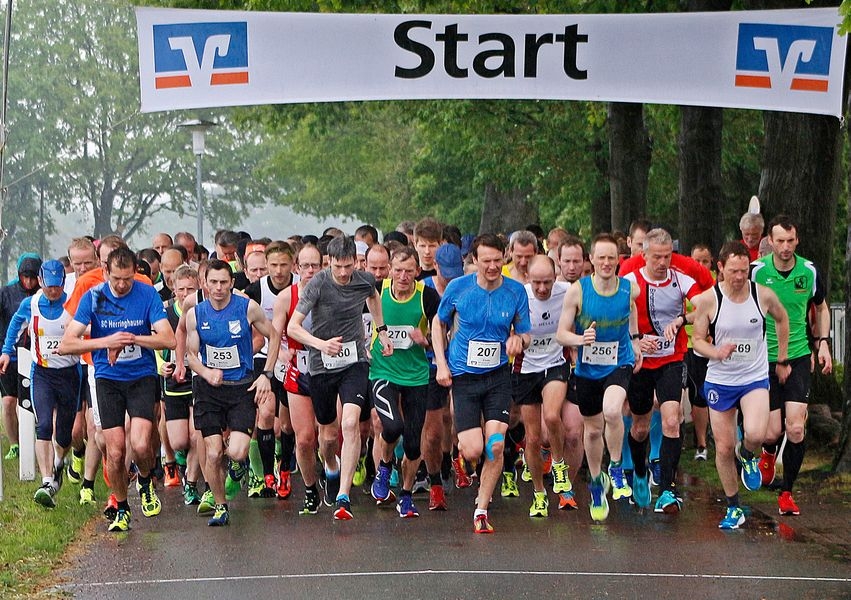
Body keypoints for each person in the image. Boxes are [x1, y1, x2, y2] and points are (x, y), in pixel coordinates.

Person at [59, 247, 175, 533]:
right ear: (106, 273)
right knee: (115, 450)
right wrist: (107, 341)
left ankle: (146, 480)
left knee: (140, 444)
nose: (122, 285)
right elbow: (67, 344)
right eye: (116, 279)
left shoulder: (146, 294)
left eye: (127, 278)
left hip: (141, 377)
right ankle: (122, 507)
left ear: (134, 272)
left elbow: (169, 340)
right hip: (108, 379)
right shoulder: (95, 296)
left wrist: (133, 338)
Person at [286, 235, 394, 520]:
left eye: (348, 266)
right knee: (328, 435)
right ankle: (331, 467)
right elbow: (293, 328)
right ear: (329, 262)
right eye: (338, 267)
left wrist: (381, 330)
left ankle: (344, 495)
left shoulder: (363, 280)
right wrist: (321, 344)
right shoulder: (319, 283)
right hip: (322, 365)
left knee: (350, 423)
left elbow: (373, 296)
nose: (344, 273)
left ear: (354, 263)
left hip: (354, 362)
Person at [432, 233, 532, 534]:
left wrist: (518, 340)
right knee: (474, 450)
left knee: (496, 445)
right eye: (485, 261)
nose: (491, 266)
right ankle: (463, 456)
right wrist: (441, 362)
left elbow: (526, 332)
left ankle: (481, 509)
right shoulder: (458, 288)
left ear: (505, 258)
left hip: (498, 376)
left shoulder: (515, 291)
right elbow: (440, 323)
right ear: (473, 261)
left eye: (497, 261)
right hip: (464, 377)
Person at [691, 241, 789, 529]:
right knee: (723, 447)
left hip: (753, 376)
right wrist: (716, 352)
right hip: (720, 380)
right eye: (733, 271)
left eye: (744, 270)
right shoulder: (709, 299)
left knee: (757, 433)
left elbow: (782, 320)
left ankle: (747, 455)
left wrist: (781, 357)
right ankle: (734, 506)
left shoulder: (762, 295)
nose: (739, 276)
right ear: (720, 268)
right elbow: (696, 339)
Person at [184, 260, 277, 526]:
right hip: (209, 391)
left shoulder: (247, 308)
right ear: (205, 283)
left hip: (240, 389)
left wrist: (266, 375)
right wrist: (205, 372)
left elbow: (274, 336)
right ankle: (221, 505)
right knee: (213, 453)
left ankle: (239, 465)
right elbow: (191, 355)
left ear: (232, 283)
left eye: (224, 282)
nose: (218, 288)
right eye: (213, 282)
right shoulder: (195, 314)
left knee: (236, 452)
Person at [556, 233, 642, 522]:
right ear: (591, 260)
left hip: (619, 362)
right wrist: (580, 339)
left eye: (611, 258)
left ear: (619, 260)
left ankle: (616, 468)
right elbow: (561, 334)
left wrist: (636, 340)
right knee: (592, 431)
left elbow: (631, 312)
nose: (606, 263)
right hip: (587, 368)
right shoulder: (578, 291)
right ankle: (596, 482)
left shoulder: (630, 289)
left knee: (613, 409)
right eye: (601, 257)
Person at [621, 228, 707, 513]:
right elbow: (616, 316)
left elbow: (708, 307)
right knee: (641, 426)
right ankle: (640, 471)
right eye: (656, 257)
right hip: (641, 361)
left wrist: (683, 319)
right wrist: (634, 339)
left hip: (672, 358)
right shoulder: (630, 281)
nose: (662, 262)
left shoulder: (681, 280)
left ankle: (668, 489)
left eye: (667, 256)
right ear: (643, 255)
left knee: (672, 419)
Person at [751, 215, 832, 516]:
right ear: (769, 242)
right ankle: (769, 452)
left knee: (795, 427)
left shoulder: (808, 271)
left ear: (797, 241)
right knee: (771, 432)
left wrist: (822, 342)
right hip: (764, 359)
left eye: (790, 241)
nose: (785, 247)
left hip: (797, 355)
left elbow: (821, 307)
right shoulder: (756, 272)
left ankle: (787, 492)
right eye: (779, 241)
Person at [0, 260, 79, 508]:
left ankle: (58, 463)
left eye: (57, 287)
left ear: (63, 284)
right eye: (48, 286)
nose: (52, 291)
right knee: (43, 425)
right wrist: (5, 351)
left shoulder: (72, 304)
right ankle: (46, 481)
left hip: (69, 374)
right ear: (41, 282)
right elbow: (14, 324)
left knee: (64, 434)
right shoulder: (31, 304)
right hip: (42, 374)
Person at [368, 246, 440, 518]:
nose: (403, 276)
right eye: (397, 270)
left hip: (416, 375)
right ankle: (385, 467)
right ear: (390, 271)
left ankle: (406, 496)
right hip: (383, 371)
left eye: (409, 271)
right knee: (392, 425)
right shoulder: (377, 290)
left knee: (412, 444)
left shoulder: (427, 296)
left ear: (417, 272)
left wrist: (427, 340)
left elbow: (441, 337)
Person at [512, 255, 573, 517]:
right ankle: (539, 493)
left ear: (555, 276)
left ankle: (559, 464)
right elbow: (507, 327)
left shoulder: (568, 291)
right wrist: (513, 340)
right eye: (537, 283)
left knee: (552, 415)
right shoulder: (519, 296)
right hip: (526, 368)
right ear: (528, 279)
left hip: (555, 364)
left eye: (547, 282)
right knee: (534, 438)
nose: (542, 289)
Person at [272, 244, 324, 514]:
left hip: (329, 370)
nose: (310, 271)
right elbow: (273, 333)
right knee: (304, 439)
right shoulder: (285, 297)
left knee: (329, 435)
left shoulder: (334, 295)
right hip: (299, 370)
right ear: (297, 268)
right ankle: (310, 487)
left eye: (315, 265)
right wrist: (279, 353)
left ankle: (333, 470)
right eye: (305, 266)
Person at [243, 241, 297, 498]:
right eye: (273, 265)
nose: (278, 271)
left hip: (294, 358)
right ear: (266, 265)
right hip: (265, 359)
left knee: (286, 424)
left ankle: (284, 467)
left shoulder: (300, 286)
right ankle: (267, 475)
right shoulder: (255, 290)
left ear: (292, 264)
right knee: (265, 414)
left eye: (283, 265)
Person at [0, 254, 41, 459]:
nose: (28, 282)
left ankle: (36, 438)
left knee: (32, 403)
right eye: (25, 277)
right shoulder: (6, 292)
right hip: (10, 357)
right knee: (9, 402)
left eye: (33, 278)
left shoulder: (44, 294)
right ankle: (15, 444)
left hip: (35, 357)